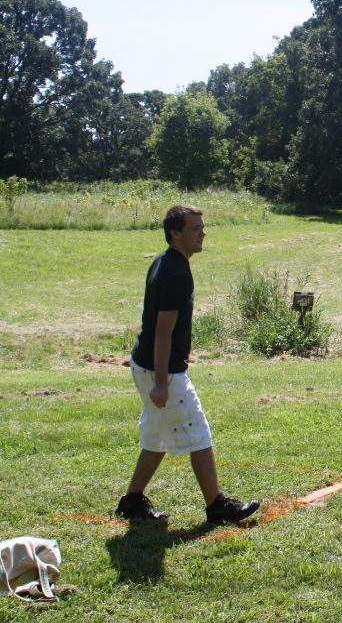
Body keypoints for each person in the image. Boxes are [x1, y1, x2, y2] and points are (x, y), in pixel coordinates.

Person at [115, 204, 259, 525]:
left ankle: (132, 500)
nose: (202, 233)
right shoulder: (175, 273)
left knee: (157, 435)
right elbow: (163, 331)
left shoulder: (165, 262)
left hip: (146, 363)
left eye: (202, 227)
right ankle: (216, 505)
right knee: (198, 433)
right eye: (195, 228)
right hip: (162, 370)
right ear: (174, 233)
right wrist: (162, 383)